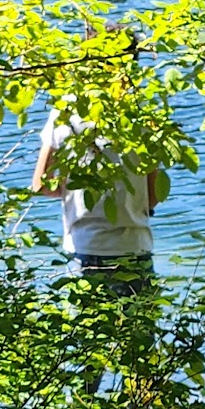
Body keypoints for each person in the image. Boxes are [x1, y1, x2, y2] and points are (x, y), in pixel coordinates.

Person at [30, 108, 158, 293]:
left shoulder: (65, 112)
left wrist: (73, 193)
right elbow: (153, 195)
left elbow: (41, 184)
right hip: (135, 246)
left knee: (88, 319)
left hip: (85, 246)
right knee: (139, 320)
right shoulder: (140, 110)